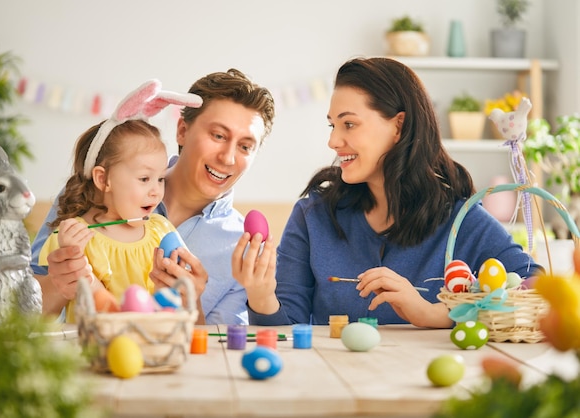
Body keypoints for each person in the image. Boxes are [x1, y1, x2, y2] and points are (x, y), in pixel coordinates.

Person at [232, 56, 542, 328]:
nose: (333, 141)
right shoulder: (313, 216)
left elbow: (536, 288)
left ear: (398, 127)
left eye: (349, 124)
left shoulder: (459, 219)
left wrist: (435, 314)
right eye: (332, 126)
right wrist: (260, 295)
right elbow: (287, 330)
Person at [31, 69, 275, 325]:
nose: (227, 158)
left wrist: (193, 307)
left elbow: (217, 353)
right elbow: (21, 313)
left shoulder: (242, 249)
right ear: (182, 130)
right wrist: (63, 282)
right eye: (218, 135)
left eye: (245, 146)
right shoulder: (93, 193)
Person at [37, 80, 202, 323]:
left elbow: (179, 304)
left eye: (160, 179)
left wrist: (181, 288)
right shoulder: (73, 238)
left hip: (155, 350)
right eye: (144, 178)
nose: (156, 191)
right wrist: (71, 255)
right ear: (103, 179)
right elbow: (42, 316)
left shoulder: (161, 230)